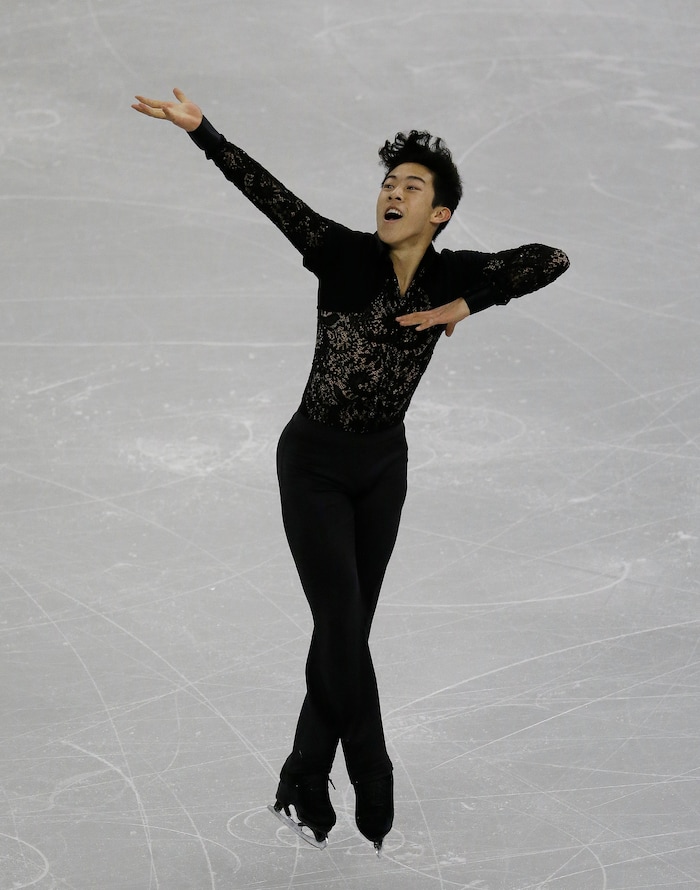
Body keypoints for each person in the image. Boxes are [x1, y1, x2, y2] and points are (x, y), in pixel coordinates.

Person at [132, 88, 570, 852]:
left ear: (440, 214)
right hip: (314, 465)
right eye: (388, 183)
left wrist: (467, 303)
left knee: (349, 627)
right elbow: (264, 192)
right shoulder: (338, 253)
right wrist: (204, 132)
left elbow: (551, 259)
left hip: (383, 468)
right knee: (339, 621)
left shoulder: (449, 274)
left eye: (412, 187)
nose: (393, 194)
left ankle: (303, 770)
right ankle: (370, 761)